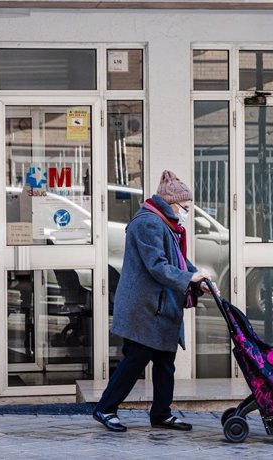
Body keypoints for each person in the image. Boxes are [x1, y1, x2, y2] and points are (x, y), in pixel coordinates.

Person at [93, 170, 215, 433]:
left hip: (160, 308)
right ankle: (105, 408)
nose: (187, 212)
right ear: (171, 203)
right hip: (144, 308)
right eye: (185, 207)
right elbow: (157, 266)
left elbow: (178, 261)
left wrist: (196, 279)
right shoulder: (148, 223)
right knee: (136, 359)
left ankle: (161, 413)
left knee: (164, 361)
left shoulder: (166, 224)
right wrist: (190, 276)